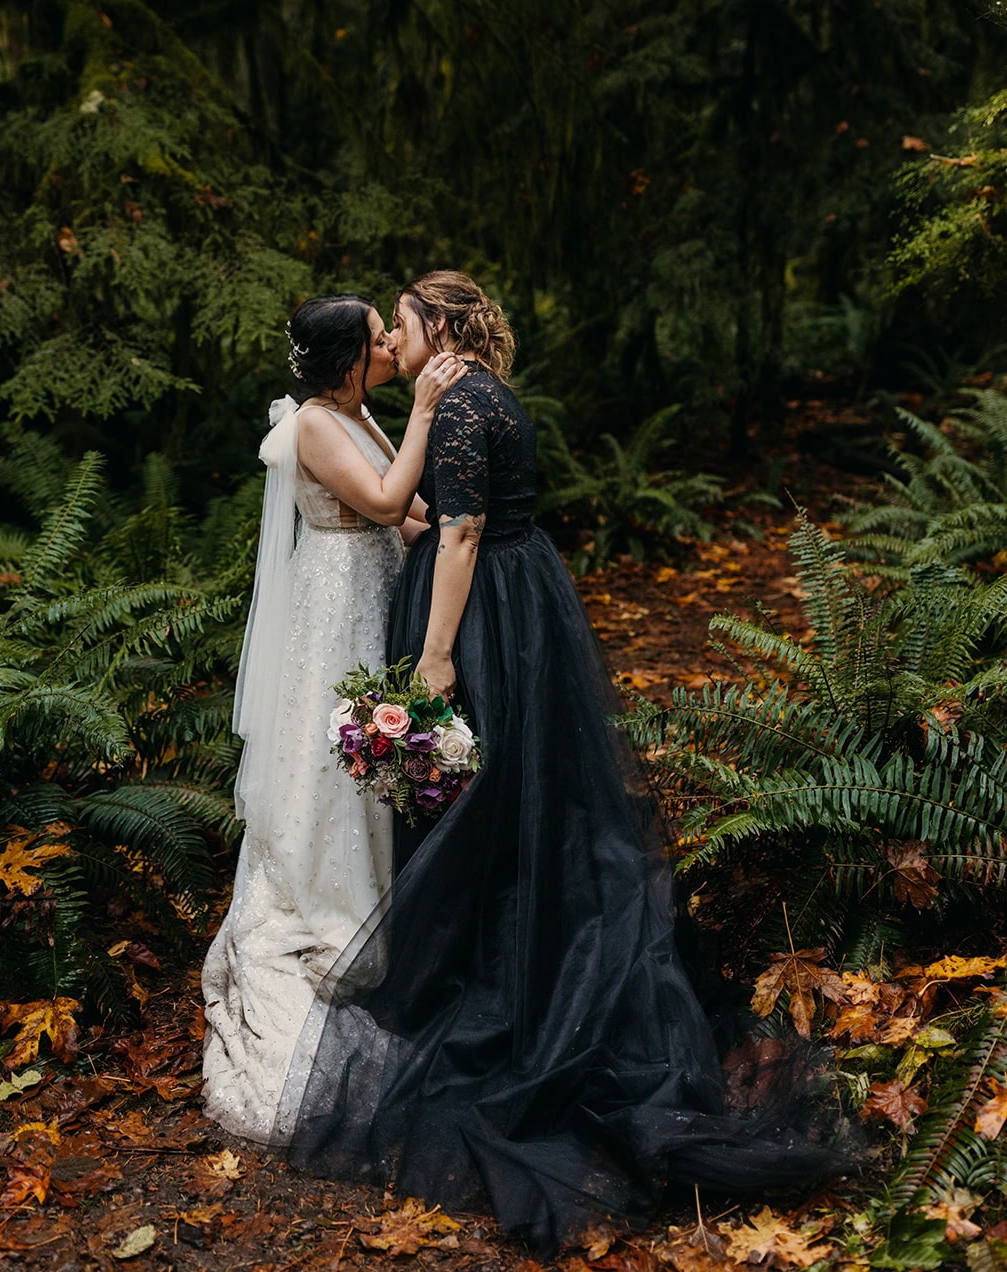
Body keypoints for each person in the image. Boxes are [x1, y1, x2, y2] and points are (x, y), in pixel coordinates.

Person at [279, 271, 841, 1250]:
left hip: (488, 613)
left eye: (402, 324)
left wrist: (438, 650)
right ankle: (499, 941)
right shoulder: (477, 394)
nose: (394, 341)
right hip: (522, 597)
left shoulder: (455, 402)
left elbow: (458, 528)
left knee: (481, 798)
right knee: (513, 797)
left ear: (439, 328)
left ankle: (498, 977)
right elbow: (438, 514)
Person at [201, 294, 465, 1142]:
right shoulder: (315, 423)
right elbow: (386, 503)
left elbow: (410, 513)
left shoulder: (360, 413)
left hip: (372, 589)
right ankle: (334, 915)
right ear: (347, 358)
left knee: (373, 753)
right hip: (336, 602)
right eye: (377, 339)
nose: (392, 346)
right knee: (331, 762)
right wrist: (425, 410)